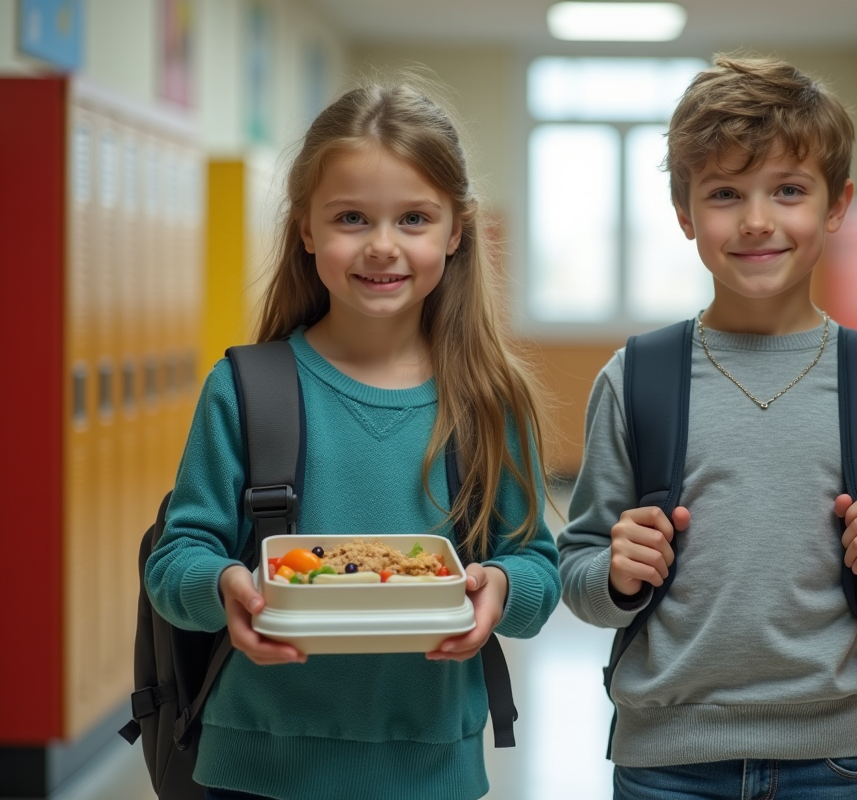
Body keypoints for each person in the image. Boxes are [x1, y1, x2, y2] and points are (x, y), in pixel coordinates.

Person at [558, 54, 857, 800]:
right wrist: (616, 575)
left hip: (836, 760)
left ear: (836, 204)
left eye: (788, 190)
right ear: (685, 212)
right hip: (665, 763)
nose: (757, 220)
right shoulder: (636, 379)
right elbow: (580, 575)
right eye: (724, 193)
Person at [145, 76, 561, 800]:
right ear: (306, 228)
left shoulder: (491, 402)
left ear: (457, 231)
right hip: (255, 767)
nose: (381, 246)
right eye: (350, 218)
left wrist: (496, 587)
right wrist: (224, 587)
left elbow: (535, 568)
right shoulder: (247, 389)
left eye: (413, 219)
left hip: (432, 769)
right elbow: (178, 558)